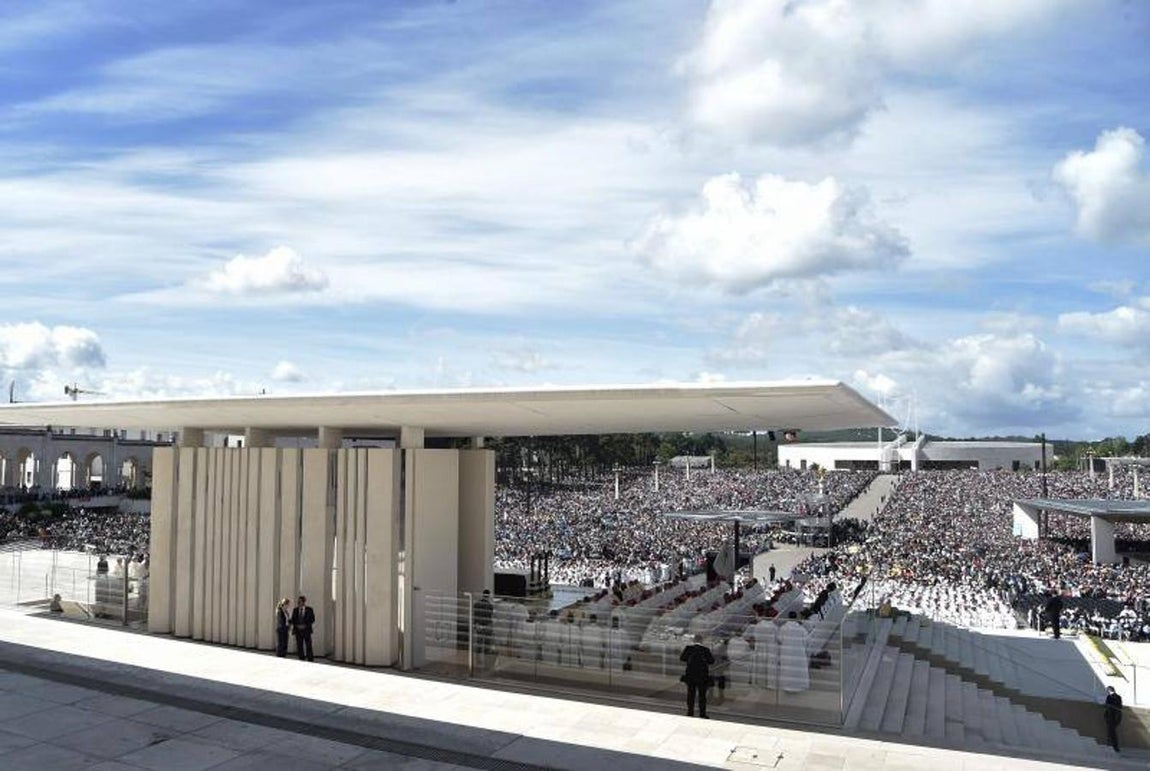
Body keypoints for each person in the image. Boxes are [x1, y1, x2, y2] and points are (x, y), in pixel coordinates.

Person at [680, 634, 714, 718]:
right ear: (702, 640)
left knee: (691, 694)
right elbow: (711, 661)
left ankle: (690, 712)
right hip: (702, 676)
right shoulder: (706, 650)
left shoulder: (688, 648)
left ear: (694, 640)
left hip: (690, 675)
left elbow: (682, 658)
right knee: (702, 696)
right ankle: (702, 713)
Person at [291, 595, 315, 661]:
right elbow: (293, 619)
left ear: (304, 602)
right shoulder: (295, 610)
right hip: (298, 630)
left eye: (300, 601)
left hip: (306, 630)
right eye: (298, 601)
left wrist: (305, 625)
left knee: (308, 645)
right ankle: (301, 658)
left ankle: (310, 658)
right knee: (299, 645)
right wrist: (297, 625)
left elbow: (312, 619)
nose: (298, 603)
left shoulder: (309, 609)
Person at [474, 589, 494, 660]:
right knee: (487, 641)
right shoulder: (490, 606)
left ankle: (478, 656)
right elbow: (490, 616)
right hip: (487, 624)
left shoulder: (476, 604)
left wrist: (476, 624)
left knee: (479, 641)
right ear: (489, 596)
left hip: (479, 624)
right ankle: (486, 656)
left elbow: (475, 615)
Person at [1103, 685, 1123, 752]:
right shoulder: (1117, 697)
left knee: (1112, 732)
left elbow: (1118, 707)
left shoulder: (1111, 697)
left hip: (1113, 717)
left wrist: (1109, 706)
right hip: (1113, 717)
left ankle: (1114, 746)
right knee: (1111, 731)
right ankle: (1111, 745)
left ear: (1109, 690)